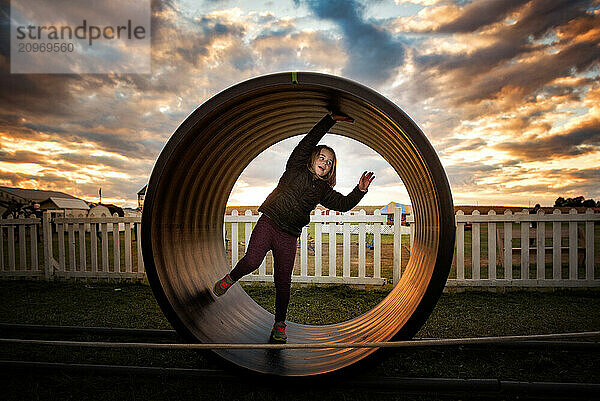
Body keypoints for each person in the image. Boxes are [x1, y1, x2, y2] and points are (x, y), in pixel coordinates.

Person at [213, 112, 375, 343]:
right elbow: (308, 140)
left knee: (283, 281)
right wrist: (330, 120)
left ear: (331, 170)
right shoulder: (296, 166)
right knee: (251, 260)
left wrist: (359, 190)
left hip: (289, 235)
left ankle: (279, 324)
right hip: (269, 221)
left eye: (330, 162)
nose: (325, 163)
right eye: (322, 157)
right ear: (312, 158)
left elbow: (343, 204)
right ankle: (230, 279)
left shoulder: (323, 190)